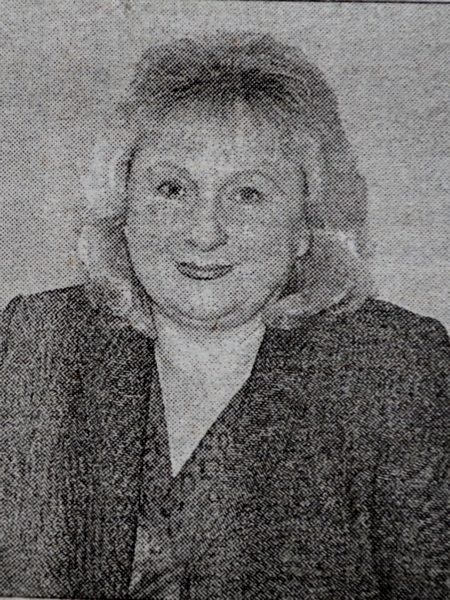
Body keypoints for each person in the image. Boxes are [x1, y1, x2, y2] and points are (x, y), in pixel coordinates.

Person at [0, 33, 449, 600]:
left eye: (248, 194)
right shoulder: (43, 340)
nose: (205, 232)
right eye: (172, 188)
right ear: (122, 207)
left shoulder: (393, 365)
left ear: (308, 225)